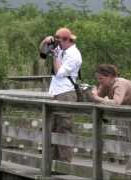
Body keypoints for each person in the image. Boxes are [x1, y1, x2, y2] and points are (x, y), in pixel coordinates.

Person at [91, 64, 131, 175]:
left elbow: (116, 102)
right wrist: (91, 94)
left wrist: (96, 97)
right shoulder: (105, 85)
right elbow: (97, 99)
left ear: (110, 76)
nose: (99, 81)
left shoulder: (120, 83)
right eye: (97, 78)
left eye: (101, 78)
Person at [39, 27, 82, 162]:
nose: (57, 42)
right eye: (55, 39)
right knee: (50, 127)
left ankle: (63, 164)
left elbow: (59, 72)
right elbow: (42, 53)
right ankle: (50, 163)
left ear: (68, 40)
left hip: (66, 93)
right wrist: (44, 42)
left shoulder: (74, 55)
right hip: (54, 92)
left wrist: (56, 55)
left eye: (59, 39)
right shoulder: (60, 50)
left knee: (63, 128)